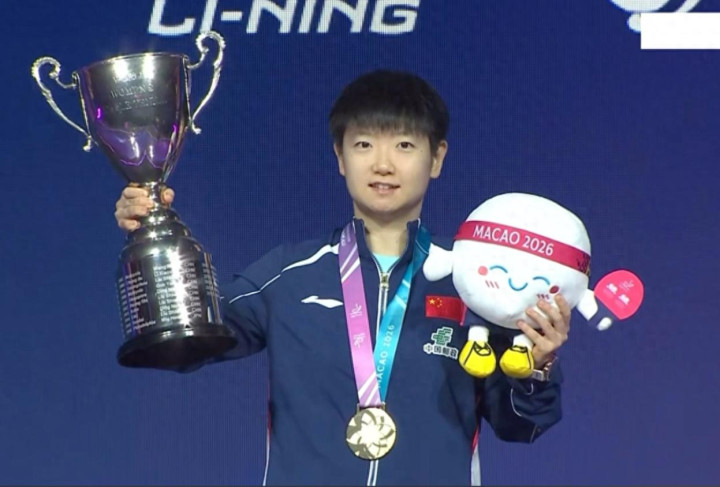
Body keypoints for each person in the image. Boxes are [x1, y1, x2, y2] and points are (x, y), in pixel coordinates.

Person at [114, 70, 570, 486]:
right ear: (340, 156)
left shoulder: (473, 284)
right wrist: (152, 238)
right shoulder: (287, 276)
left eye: (405, 146)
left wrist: (538, 365)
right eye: (364, 144)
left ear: (437, 157)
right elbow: (185, 343)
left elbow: (521, 426)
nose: (383, 164)